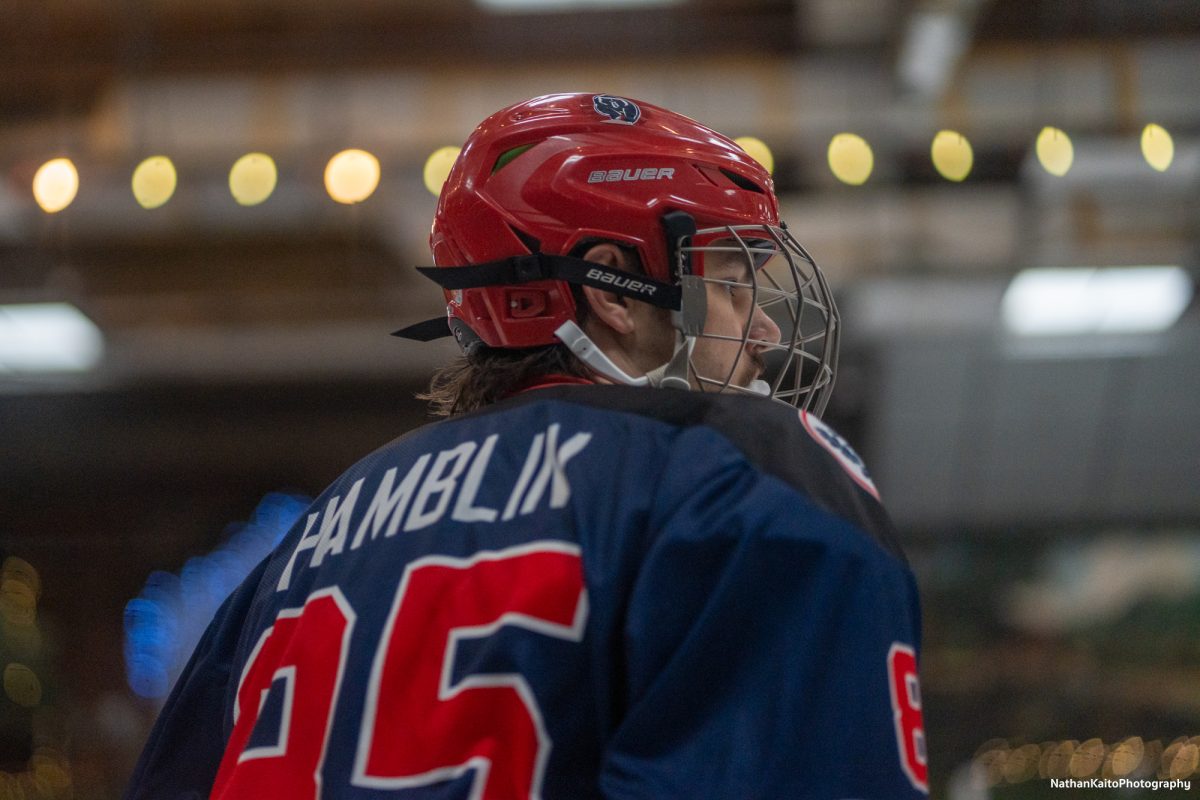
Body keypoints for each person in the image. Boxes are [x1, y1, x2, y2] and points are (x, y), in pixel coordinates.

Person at [125, 92, 927, 799]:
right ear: (613, 289)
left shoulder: (305, 544)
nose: (763, 329)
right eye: (727, 280)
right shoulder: (740, 474)